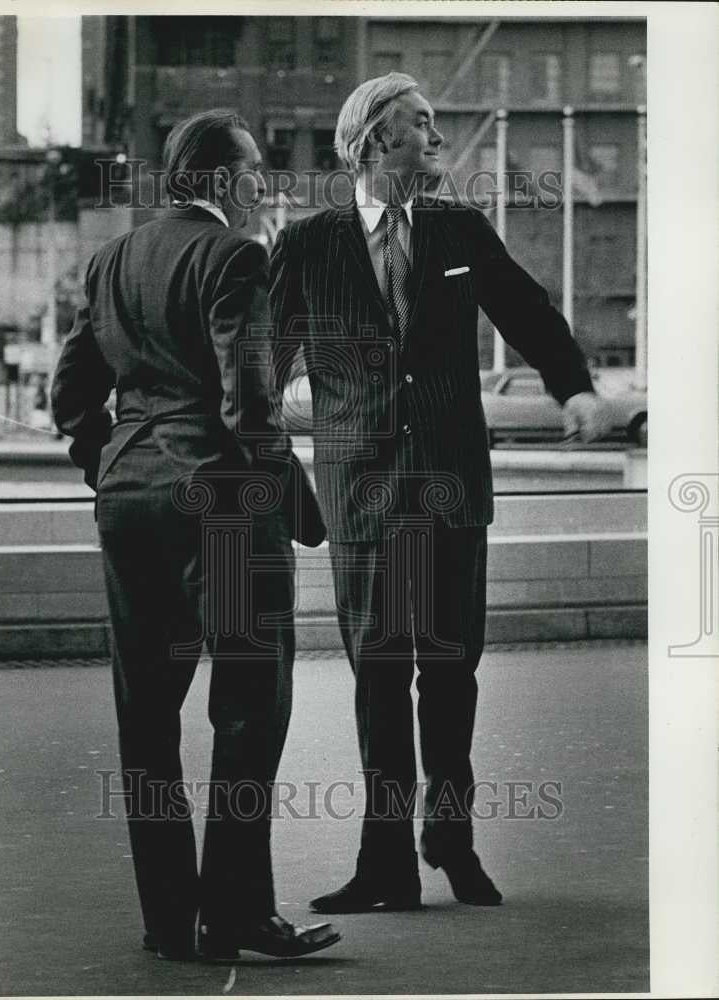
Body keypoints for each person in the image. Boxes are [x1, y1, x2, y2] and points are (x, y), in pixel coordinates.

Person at [269, 73, 612, 914]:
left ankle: (450, 841)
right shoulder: (308, 245)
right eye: (420, 125)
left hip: (451, 488)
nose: (437, 138)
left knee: (452, 673)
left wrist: (575, 388)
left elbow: (527, 313)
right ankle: (384, 863)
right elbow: (260, 365)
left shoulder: (459, 228)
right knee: (378, 679)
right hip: (363, 498)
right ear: (375, 140)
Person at [51, 110, 340, 962]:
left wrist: (115, 468)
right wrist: (289, 499)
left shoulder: (113, 261)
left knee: (146, 718)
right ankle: (239, 914)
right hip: (222, 505)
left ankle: (171, 920)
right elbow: (249, 402)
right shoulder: (233, 257)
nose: (267, 185)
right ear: (219, 180)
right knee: (250, 710)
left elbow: (72, 397)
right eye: (255, 171)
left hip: (130, 502)